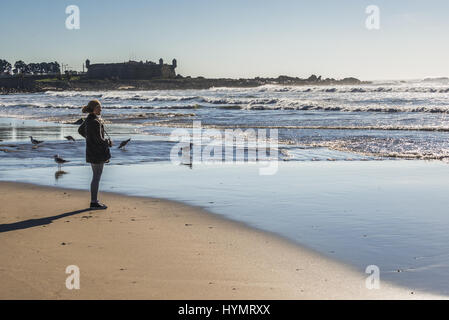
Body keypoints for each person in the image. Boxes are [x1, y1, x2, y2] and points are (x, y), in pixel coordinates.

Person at [78, 100, 112, 209]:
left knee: (95, 176)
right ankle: (94, 202)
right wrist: (108, 143)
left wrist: (89, 138)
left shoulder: (89, 119)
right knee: (97, 177)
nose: (101, 109)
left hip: (91, 151)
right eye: (99, 107)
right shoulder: (95, 122)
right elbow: (100, 140)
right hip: (97, 153)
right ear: (93, 108)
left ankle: (94, 200)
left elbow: (80, 130)